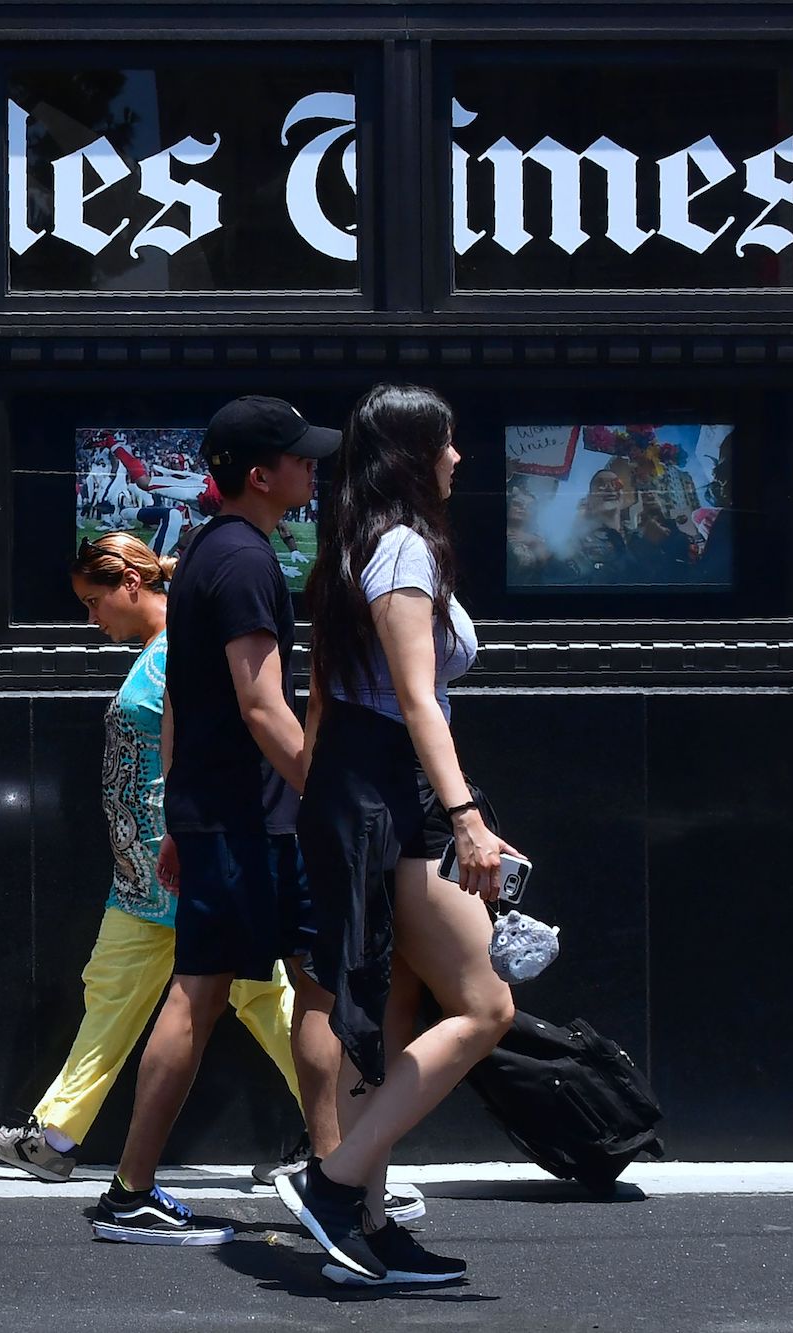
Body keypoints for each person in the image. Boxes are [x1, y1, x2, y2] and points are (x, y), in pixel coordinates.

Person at [0, 532, 313, 1186]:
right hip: (145, 874)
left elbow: (234, 737)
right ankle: (56, 1135)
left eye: (94, 600)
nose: (90, 617)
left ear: (132, 584)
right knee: (113, 989)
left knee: (262, 994)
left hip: (194, 862)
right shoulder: (164, 647)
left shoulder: (191, 644)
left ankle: (338, 1138)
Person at [87, 395, 343, 1245]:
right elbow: (261, 704)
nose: (314, 468)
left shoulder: (206, 553)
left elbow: (179, 707)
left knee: (283, 988)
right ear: (260, 474)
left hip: (222, 815)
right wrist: (324, 790)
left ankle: (332, 1172)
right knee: (246, 992)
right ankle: (142, 1191)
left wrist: (172, 813)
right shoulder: (244, 564)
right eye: (300, 458)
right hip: (251, 820)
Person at [280, 383, 519, 1286]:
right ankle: (337, 1186)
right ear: (417, 454)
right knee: (485, 1004)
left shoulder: (354, 543)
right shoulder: (402, 550)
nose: (460, 458)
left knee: (382, 1010)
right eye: (449, 444)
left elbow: (330, 689)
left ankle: (365, 1227)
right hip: (395, 793)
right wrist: (467, 818)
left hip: (366, 789)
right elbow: (418, 699)